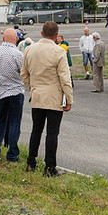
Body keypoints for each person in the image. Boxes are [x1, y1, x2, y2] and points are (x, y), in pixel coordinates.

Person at [21, 21, 74, 177]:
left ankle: (31, 162)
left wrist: (32, 87)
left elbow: (24, 74)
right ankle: (50, 167)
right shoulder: (59, 52)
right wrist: (69, 98)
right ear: (56, 36)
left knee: (36, 130)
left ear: (42, 33)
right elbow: (65, 78)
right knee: (52, 133)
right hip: (54, 97)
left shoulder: (29, 49)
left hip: (37, 95)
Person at [0, 28, 25, 161]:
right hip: (15, 91)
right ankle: (12, 153)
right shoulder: (18, 54)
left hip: (0, 92)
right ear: (16, 39)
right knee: (15, 123)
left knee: (0, 122)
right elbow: (23, 72)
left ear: (3, 39)